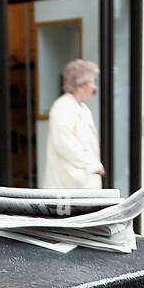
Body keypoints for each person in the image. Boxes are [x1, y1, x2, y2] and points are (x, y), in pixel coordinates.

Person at [43, 59, 104, 190]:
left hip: (82, 184)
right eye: (92, 82)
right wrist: (93, 165)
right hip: (67, 187)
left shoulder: (83, 108)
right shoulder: (62, 107)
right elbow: (65, 143)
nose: (94, 87)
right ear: (80, 84)